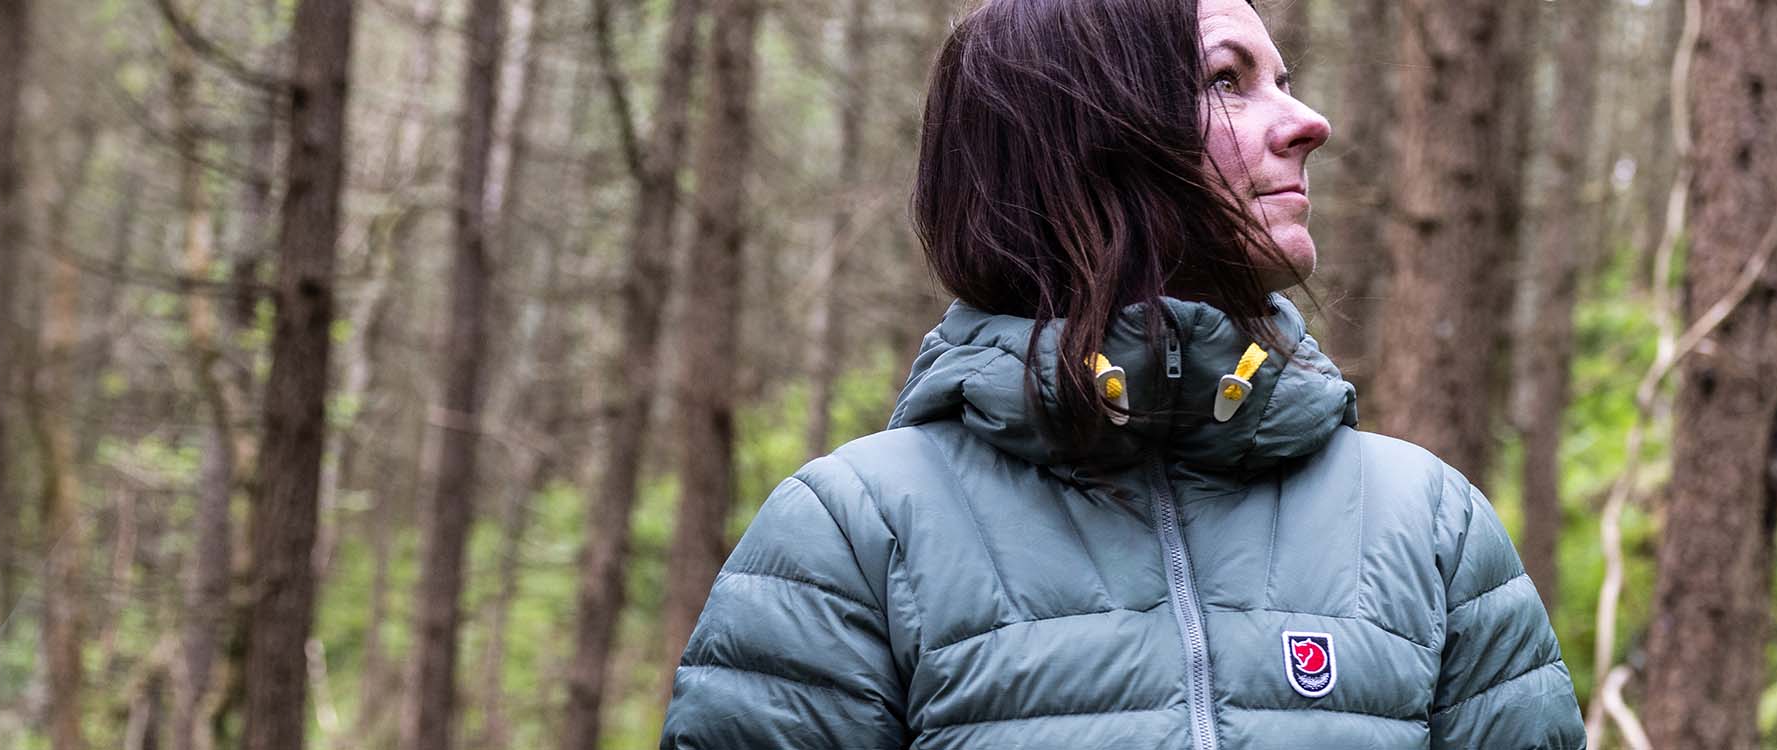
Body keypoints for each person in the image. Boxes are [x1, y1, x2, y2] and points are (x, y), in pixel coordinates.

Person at [656, 0, 1583, 746]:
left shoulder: (1426, 524)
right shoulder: (853, 538)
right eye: (1229, 80)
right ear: (1082, 136)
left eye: (1285, 81)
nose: (1309, 124)